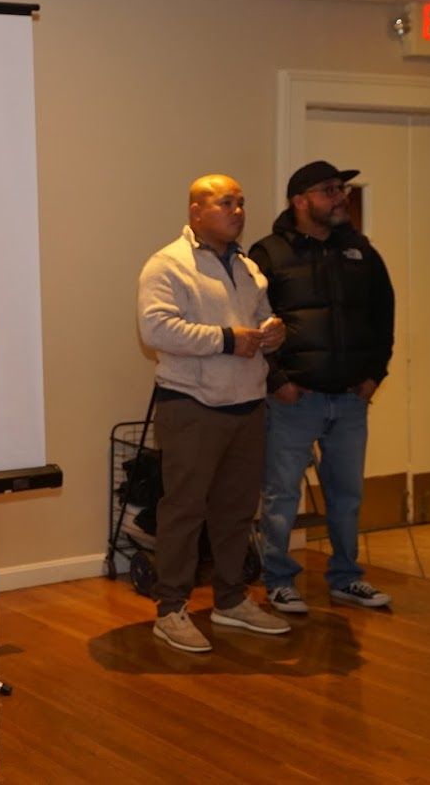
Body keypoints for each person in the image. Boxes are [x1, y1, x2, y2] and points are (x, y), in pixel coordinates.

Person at [137, 173, 290, 653]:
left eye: (242, 203)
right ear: (196, 211)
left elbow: (259, 315)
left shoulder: (247, 266)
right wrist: (226, 339)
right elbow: (156, 329)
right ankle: (171, 610)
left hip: (247, 403)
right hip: (192, 406)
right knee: (184, 510)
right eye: (226, 203)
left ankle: (229, 600)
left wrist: (271, 331)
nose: (238, 211)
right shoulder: (168, 265)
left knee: (236, 511)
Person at [248, 160, 395, 614]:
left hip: (351, 399)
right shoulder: (268, 252)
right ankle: (279, 580)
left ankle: (346, 578)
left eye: (343, 190)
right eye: (330, 190)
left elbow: (383, 317)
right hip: (297, 401)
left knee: (347, 493)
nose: (341, 198)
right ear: (300, 200)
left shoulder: (361, 253)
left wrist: (375, 374)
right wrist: (278, 381)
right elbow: (251, 321)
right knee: (281, 494)